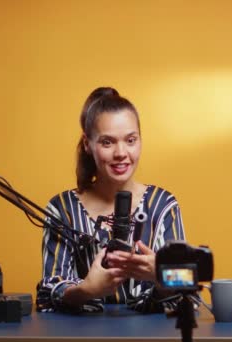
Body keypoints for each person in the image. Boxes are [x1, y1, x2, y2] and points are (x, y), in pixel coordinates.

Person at [36, 87, 186, 313]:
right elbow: (50, 289)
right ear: (88, 144)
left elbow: (185, 284)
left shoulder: (163, 205)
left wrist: (161, 274)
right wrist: (86, 290)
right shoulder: (62, 209)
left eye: (130, 140)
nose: (121, 153)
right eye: (107, 142)